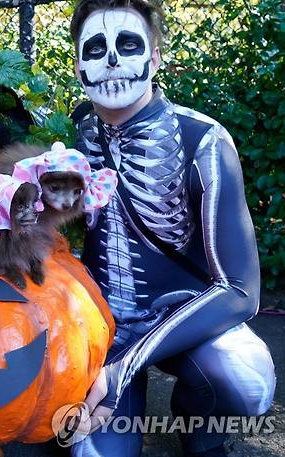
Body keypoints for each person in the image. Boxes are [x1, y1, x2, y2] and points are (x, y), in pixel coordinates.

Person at [66, 1, 276, 456]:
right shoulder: (79, 135)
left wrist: (122, 368)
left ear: (154, 58)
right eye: (96, 48)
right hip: (105, 329)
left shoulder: (204, 140)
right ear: (80, 65)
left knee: (247, 377)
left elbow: (241, 290)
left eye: (128, 44)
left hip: (186, 320)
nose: (113, 60)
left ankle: (200, 426)